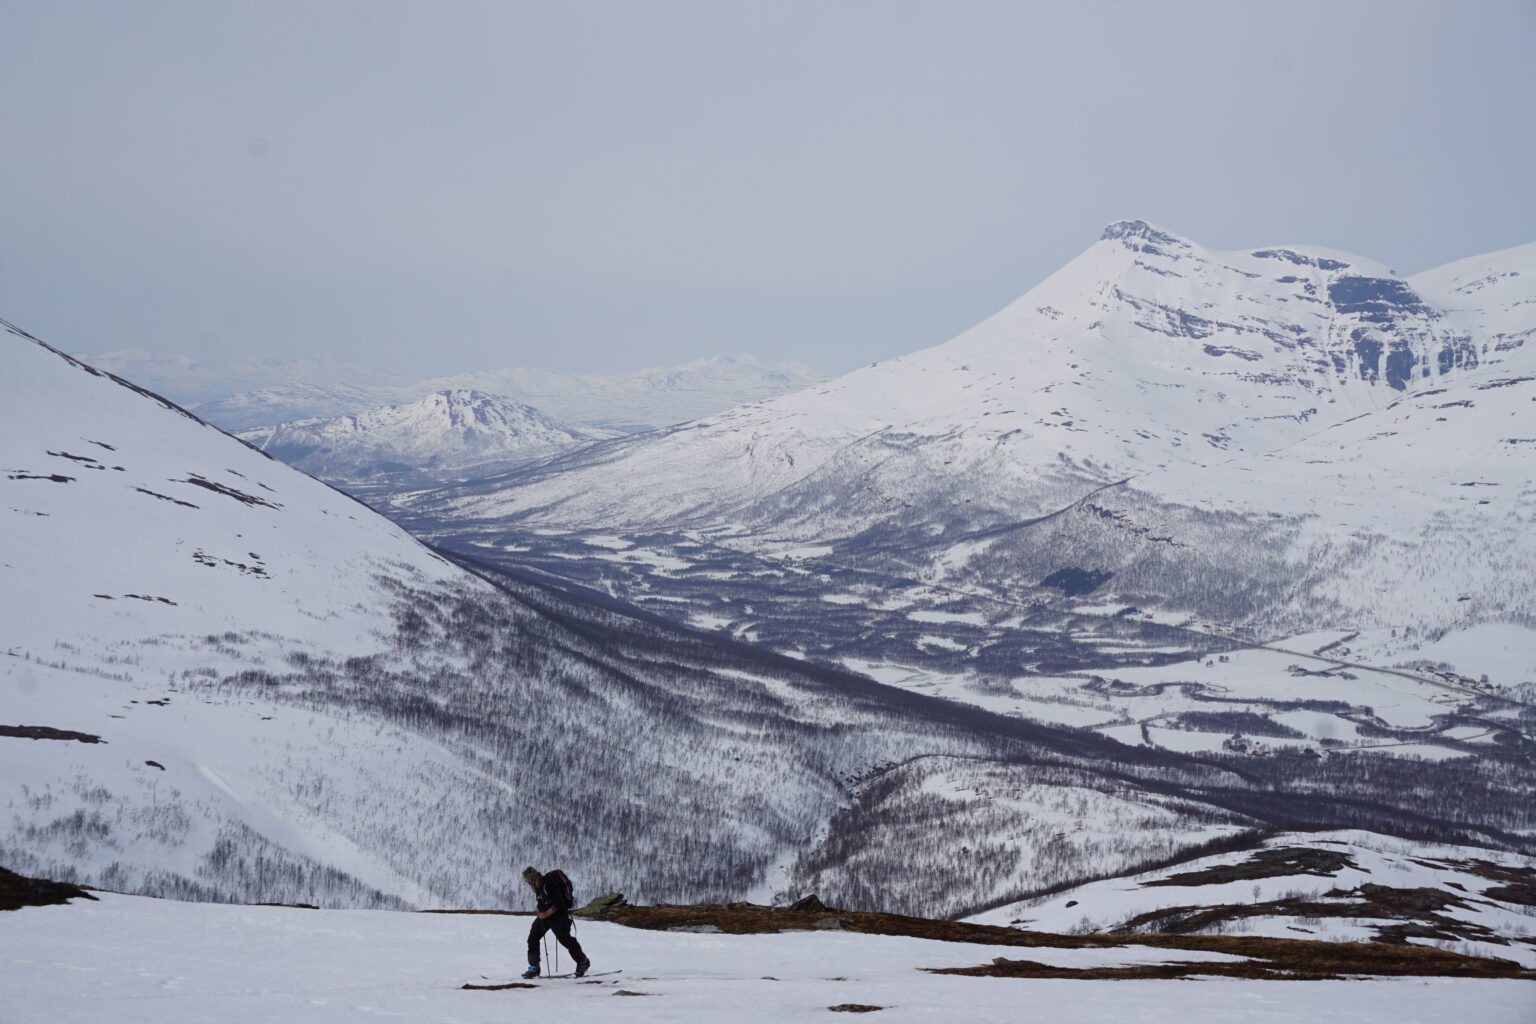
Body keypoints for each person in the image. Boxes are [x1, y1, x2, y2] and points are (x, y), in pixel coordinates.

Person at [520, 866, 589, 978]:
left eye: (529, 880)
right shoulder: (538, 886)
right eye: (526, 880)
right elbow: (542, 901)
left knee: (565, 939)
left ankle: (583, 961)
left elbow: (559, 904)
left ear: (535, 877)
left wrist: (545, 914)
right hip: (546, 916)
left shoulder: (549, 884)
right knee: (533, 937)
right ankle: (534, 967)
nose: (528, 882)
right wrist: (541, 911)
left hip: (559, 916)